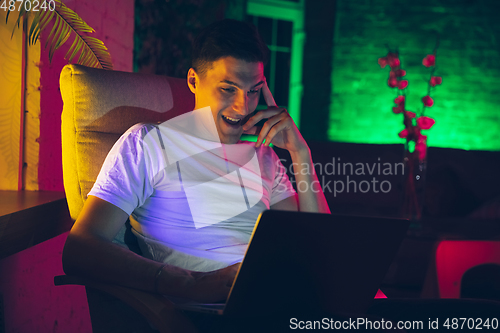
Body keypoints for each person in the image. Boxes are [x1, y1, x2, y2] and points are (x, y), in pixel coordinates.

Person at [62, 19, 330, 304]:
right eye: (228, 89)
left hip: (283, 298)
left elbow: (319, 254)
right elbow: (81, 248)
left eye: (253, 90)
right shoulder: (150, 143)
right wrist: (189, 283)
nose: (244, 106)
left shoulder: (265, 156)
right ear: (193, 81)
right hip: (215, 311)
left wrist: (302, 154)